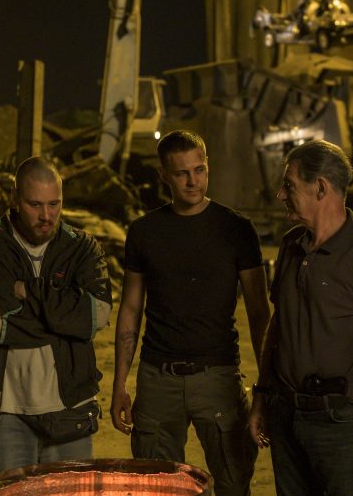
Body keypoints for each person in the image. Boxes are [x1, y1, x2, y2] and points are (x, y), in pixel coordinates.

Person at [109, 130, 270, 496]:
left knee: (234, 483)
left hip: (217, 377)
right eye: (182, 173)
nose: (193, 181)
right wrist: (120, 384)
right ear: (163, 175)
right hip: (158, 378)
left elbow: (260, 312)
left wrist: (267, 386)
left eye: (200, 170)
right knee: (157, 487)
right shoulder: (145, 232)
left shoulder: (236, 229)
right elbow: (130, 309)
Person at [248, 140, 353, 495]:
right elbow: (278, 326)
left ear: (320, 187)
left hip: (342, 422)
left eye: (289, 185)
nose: (281, 195)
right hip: (286, 413)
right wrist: (262, 395)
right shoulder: (291, 245)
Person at [0, 156, 112, 486]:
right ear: (14, 199)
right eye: (35, 205)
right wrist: (67, 318)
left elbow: (98, 315)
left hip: (70, 409)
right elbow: (2, 326)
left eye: (54, 204)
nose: (46, 216)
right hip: (5, 413)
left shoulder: (82, 247)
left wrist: (29, 291)